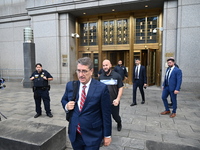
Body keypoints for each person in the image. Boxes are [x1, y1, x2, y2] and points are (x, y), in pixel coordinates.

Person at [61, 57, 112, 150]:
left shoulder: (101, 88)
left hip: (93, 135)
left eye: (84, 71)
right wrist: (66, 106)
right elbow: (63, 100)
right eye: (79, 71)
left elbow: (106, 114)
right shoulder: (71, 85)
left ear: (91, 71)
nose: (81, 75)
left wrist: (107, 135)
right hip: (75, 134)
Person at [99, 59, 123, 132]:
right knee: (105, 118)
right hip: (104, 102)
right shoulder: (101, 77)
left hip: (114, 102)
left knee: (115, 117)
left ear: (110, 65)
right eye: (103, 65)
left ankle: (119, 122)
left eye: (106, 65)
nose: (105, 67)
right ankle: (106, 133)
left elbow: (121, 88)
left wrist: (118, 99)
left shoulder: (117, 76)